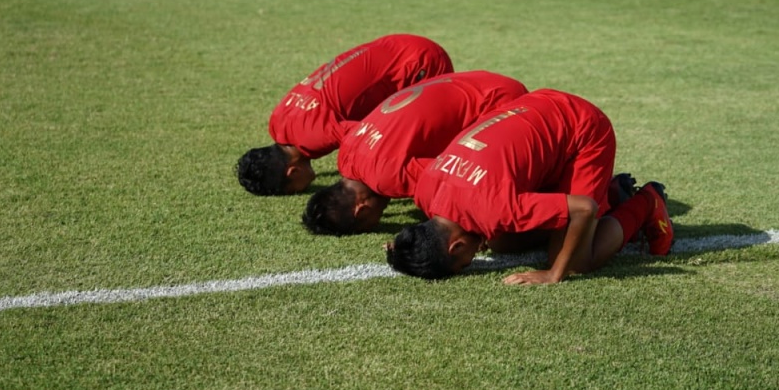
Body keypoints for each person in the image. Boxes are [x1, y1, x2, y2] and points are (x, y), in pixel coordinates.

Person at [386, 89, 673, 285]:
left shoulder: (495, 209)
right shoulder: (425, 192)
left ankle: (647, 201)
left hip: (583, 130)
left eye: (464, 262)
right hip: (536, 104)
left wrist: (554, 274)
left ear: (456, 245)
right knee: (501, 241)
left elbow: (584, 209)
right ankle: (613, 192)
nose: (473, 259)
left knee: (577, 261)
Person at [302, 71, 528, 235]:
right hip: (476, 80)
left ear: (361, 210)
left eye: (372, 223)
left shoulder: (385, 178)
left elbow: (454, 182)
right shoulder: (346, 157)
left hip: (498, 99)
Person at [236, 34, 454, 196]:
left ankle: (452, 182)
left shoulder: (313, 137)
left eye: (294, 190)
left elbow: (369, 135)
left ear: (292, 172)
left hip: (418, 63)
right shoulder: (277, 121)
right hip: (398, 45)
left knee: (427, 131)